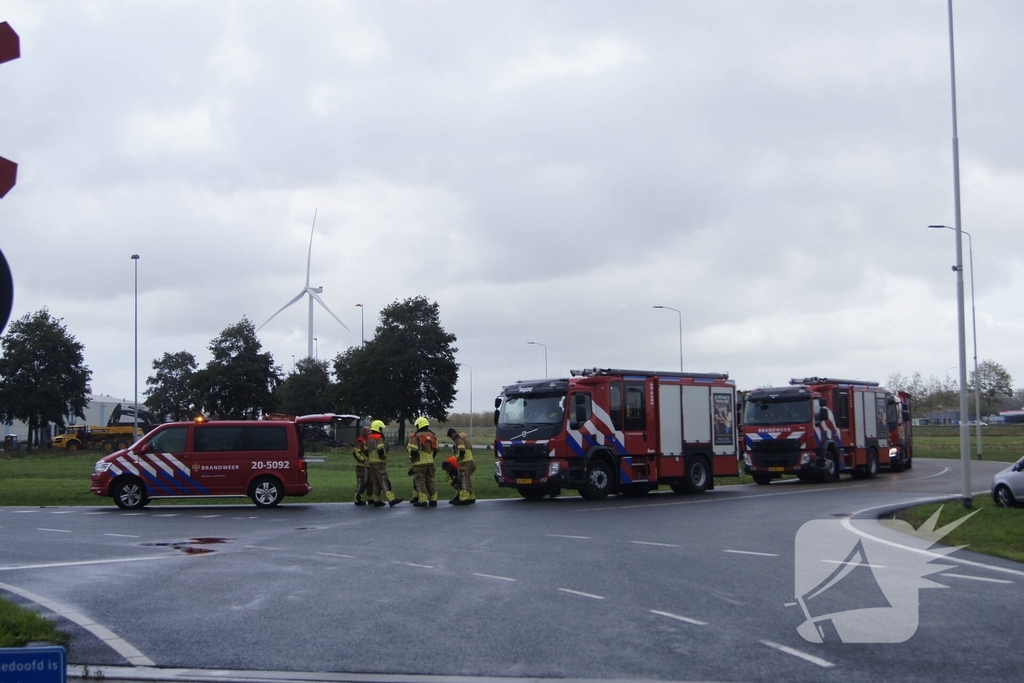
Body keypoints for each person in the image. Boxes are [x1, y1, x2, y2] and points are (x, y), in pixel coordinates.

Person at [366, 420, 403, 507]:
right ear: (378, 428)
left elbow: (365, 450)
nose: (382, 430)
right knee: (383, 480)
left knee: (375, 481)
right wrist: (383, 457)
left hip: (371, 463)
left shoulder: (369, 437)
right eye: (381, 428)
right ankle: (391, 499)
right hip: (379, 462)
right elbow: (380, 449)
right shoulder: (378, 437)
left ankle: (376, 499)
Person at [407, 416, 439, 507]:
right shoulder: (433, 435)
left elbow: (414, 450)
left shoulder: (417, 436)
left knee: (420, 481)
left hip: (419, 463)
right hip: (430, 463)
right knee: (430, 481)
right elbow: (436, 449)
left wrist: (413, 459)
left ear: (418, 425)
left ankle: (422, 500)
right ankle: (433, 499)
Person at [446, 428, 475, 505]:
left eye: (450, 437)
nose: (451, 439)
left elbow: (461, 450)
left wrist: (459, 458)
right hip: (470, 460)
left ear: (452, 434)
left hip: (464, 462)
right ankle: (471, 497)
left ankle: (464, 498)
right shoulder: (463, 436)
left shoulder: (458, 438)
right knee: (467, 479)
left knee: (463, 479)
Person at [352, 426, 371, 505]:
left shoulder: (369, 440)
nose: (370, 433)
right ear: (364, 432)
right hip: (361, 466)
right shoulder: (360, 441)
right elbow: (356, 452)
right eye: (368, 431)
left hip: (369, 465)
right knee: (361, 482)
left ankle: (371, 497)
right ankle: (358, 498)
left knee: (370, 482)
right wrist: (363, 460)